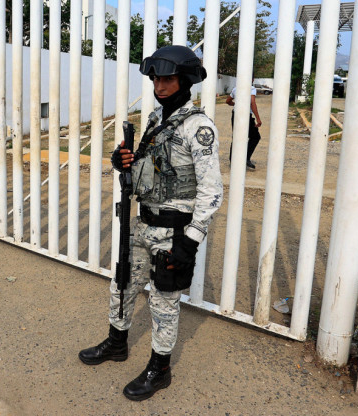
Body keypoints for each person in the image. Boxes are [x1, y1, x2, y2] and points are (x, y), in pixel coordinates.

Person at [79, 45, 223, 401]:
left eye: (168, 78)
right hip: (143, 224)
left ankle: (160, 369)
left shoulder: (199, 127)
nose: (160, 85)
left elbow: (212, 190)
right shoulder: (157, 119)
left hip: (173, 231)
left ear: (185, 80)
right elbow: (147, 168)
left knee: (163, 302)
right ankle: (117, 343)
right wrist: (122, 161)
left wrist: (190, 241)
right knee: (123, 284)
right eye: (157, 78)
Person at [225, 78, 262, 170]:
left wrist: (235, 104)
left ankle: (232, 160)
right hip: (246, 115)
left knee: (236, 136)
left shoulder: (236, 88)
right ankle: (246, 157)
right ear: (252, 79)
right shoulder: (251, 88)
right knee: (255, 137)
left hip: (236, 114)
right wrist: (258, 118)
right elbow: (252, 103)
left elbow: (227, 101)